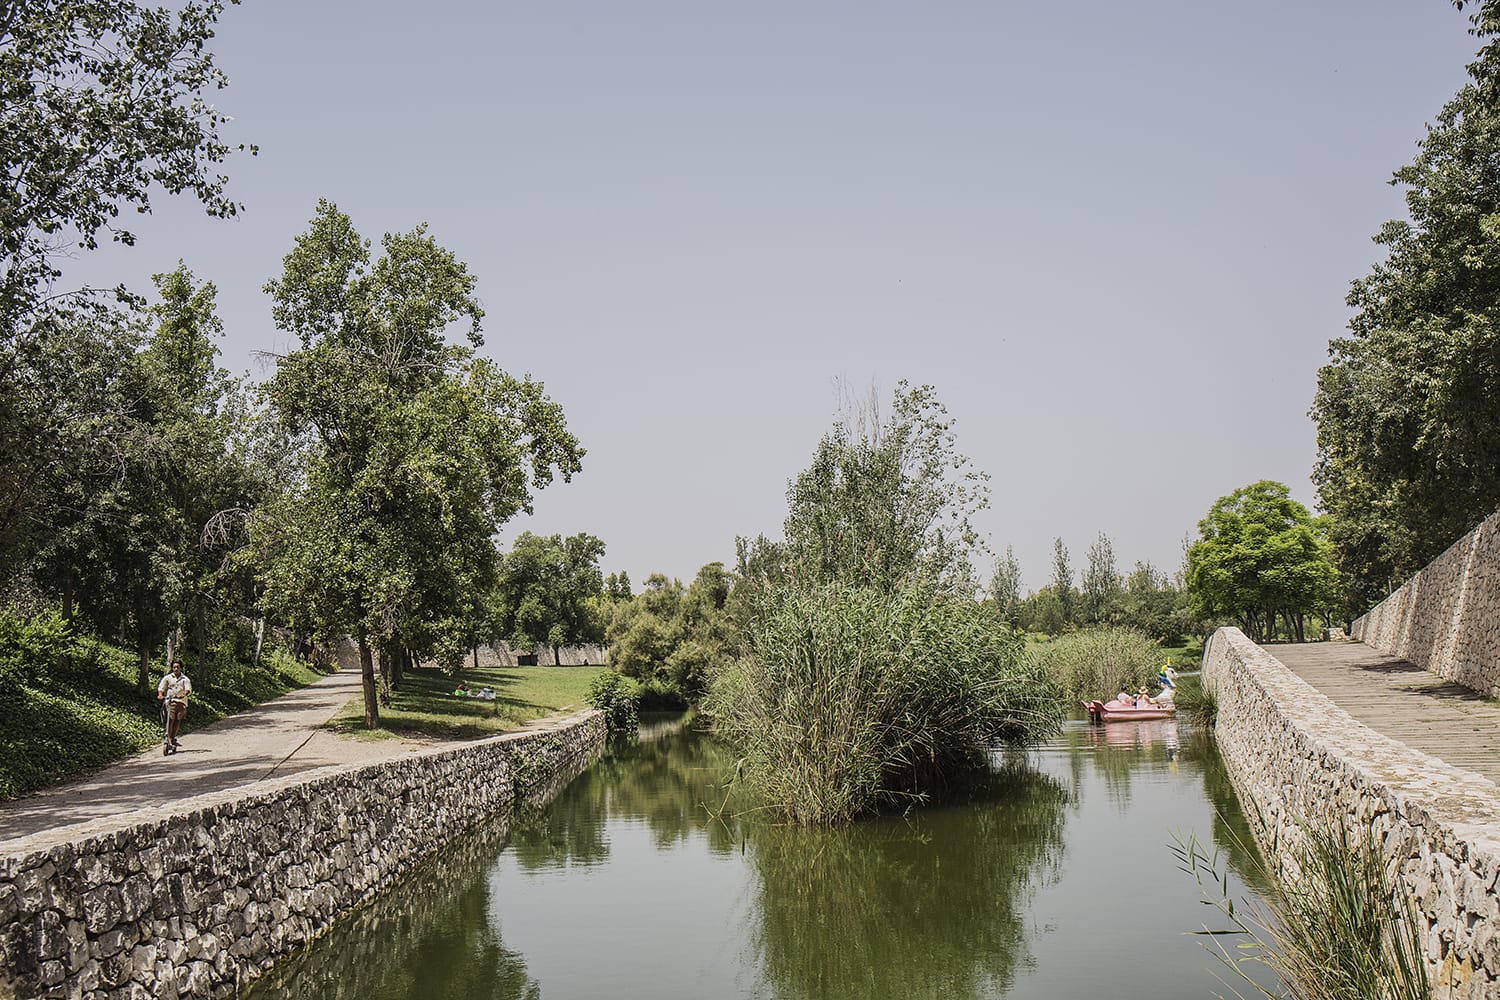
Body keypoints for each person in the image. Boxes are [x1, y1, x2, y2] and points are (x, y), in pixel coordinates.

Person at [156, 660, 192, 755]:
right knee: (170, 719)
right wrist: (160, 695)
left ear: (181, 668)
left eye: (178, 667)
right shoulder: (167, 678)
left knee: (177, 720)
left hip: (181, 702)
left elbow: (188, 689)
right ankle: (169, 740)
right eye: (174, 667)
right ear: (172, 668)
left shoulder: (185, 679)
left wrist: (183, 693)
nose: (176, 669)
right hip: (170, 701)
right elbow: (161, 688)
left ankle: (172, 738)